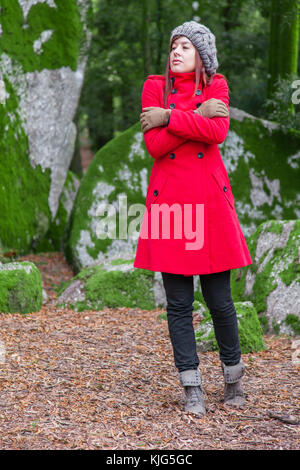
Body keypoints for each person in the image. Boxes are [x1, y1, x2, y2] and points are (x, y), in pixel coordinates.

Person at [133, 21, 252, 417]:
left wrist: (169, 117)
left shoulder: (217, 85)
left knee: (220, 301)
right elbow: (155, 145)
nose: (176, 52)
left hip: (211, 206)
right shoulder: (155, 86)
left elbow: (217, 133)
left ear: (202, 54)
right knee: (179, 304)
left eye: (185, 46)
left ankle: (233, 378)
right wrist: (191, 114)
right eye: (173, 46)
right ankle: (192, 388)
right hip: (171, 207)